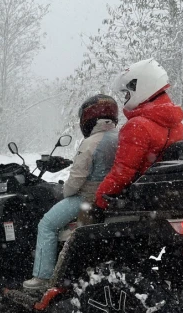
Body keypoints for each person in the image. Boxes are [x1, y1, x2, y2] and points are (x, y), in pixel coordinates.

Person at [23, 95, 120, 291]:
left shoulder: (90, 142)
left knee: (47, 225)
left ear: (88, 118)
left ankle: (42, 277)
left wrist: (65, 192)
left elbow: (76, 180)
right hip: (112, 196)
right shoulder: (121, 137)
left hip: (87, 198)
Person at [93, 58, 183, 211]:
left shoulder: (137, 126)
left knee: (84, 223)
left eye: (127, 93)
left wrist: (99, 200)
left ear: (140, 86)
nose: (126, 98)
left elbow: (122, 173)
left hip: (140, 198)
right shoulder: (176, 123)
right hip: (163, 194)